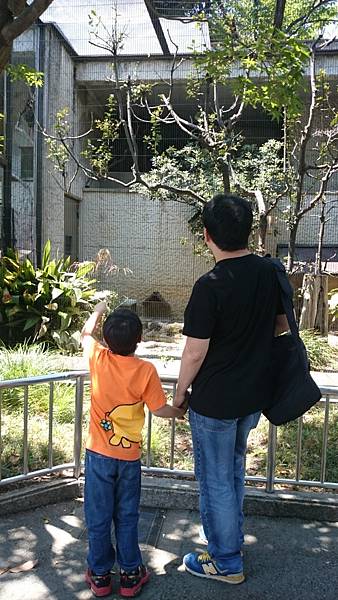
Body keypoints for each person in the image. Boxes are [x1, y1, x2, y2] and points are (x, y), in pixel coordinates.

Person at [173, 193, 288, 584]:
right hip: (252, 396)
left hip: (215, 402)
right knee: (234, 470)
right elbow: (281, 326)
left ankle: (225, 560)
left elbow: (194, 353)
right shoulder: (269, 272)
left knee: (216, 479)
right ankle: (230, 540)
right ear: (249, 231)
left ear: (207, 235)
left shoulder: (210, 285)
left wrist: (178, 395)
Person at [81, 305, 187, 598]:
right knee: (127, 515)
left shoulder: (98, 357)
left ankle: (100, 575)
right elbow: (159, 409)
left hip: (97, 456)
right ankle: (130, 574)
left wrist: (99, 309)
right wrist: (179, 410)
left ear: (107, 338)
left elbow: (86, 333)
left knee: (98, 515)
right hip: (128, 459)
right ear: (139, 339)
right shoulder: (145, 371)